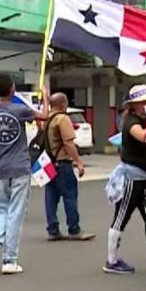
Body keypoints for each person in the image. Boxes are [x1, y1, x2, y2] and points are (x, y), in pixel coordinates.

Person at [0, 74, 49, 274]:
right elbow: (44, 116)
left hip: (0, 168)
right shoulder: (20, 110)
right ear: (12, 89)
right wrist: (45, 97)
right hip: (19, 167)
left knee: (3, 210)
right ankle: (10, 260)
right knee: (16, 213)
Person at [104, 85, 146, 274]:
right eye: (142, 102)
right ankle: (112, 259)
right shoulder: (130, 121)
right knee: (121, 217)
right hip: (132, 177)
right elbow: (143, 136)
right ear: (134, 105)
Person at [44, 93, 95, 241]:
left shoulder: (46, 120)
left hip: (48, 163)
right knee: (70, 195)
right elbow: (69, 143)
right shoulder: (63, 119)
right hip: (62, 163)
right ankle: (74, 229)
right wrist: (78, 162)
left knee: (50, 196)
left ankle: (53, 230)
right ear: (63, 104)